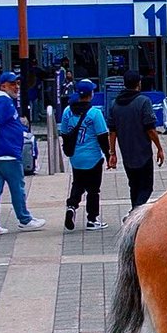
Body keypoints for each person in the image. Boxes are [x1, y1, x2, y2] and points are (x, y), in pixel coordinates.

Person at [0, 71, 46, 235]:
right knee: (17, 187)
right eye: (12, 84)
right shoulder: (3, 101)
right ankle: (24, 219)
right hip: (7, 152)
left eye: (17, 84)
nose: (16, 87)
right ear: (3, 85)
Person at [108, 69, 165, 211]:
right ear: (139, 83)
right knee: (146, 187)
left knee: (134, 186)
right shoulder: (143, 101)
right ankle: (134, 213)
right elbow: (150, 129)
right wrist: (159, 147)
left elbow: (112, 131)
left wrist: (112, 152)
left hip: (126, 153)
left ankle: (134, 216)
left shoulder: (115, 104)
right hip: (143, 152)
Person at [59, 80, 111, 231]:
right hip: (93, 157)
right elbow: (102, 136)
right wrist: (109, 156)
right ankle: (92, 219)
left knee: (78, 183)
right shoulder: (95, 113)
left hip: (75, 157)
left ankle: (72, 206)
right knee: (93, 189)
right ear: (91, 95)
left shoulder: (67, 111)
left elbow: (64, 133)